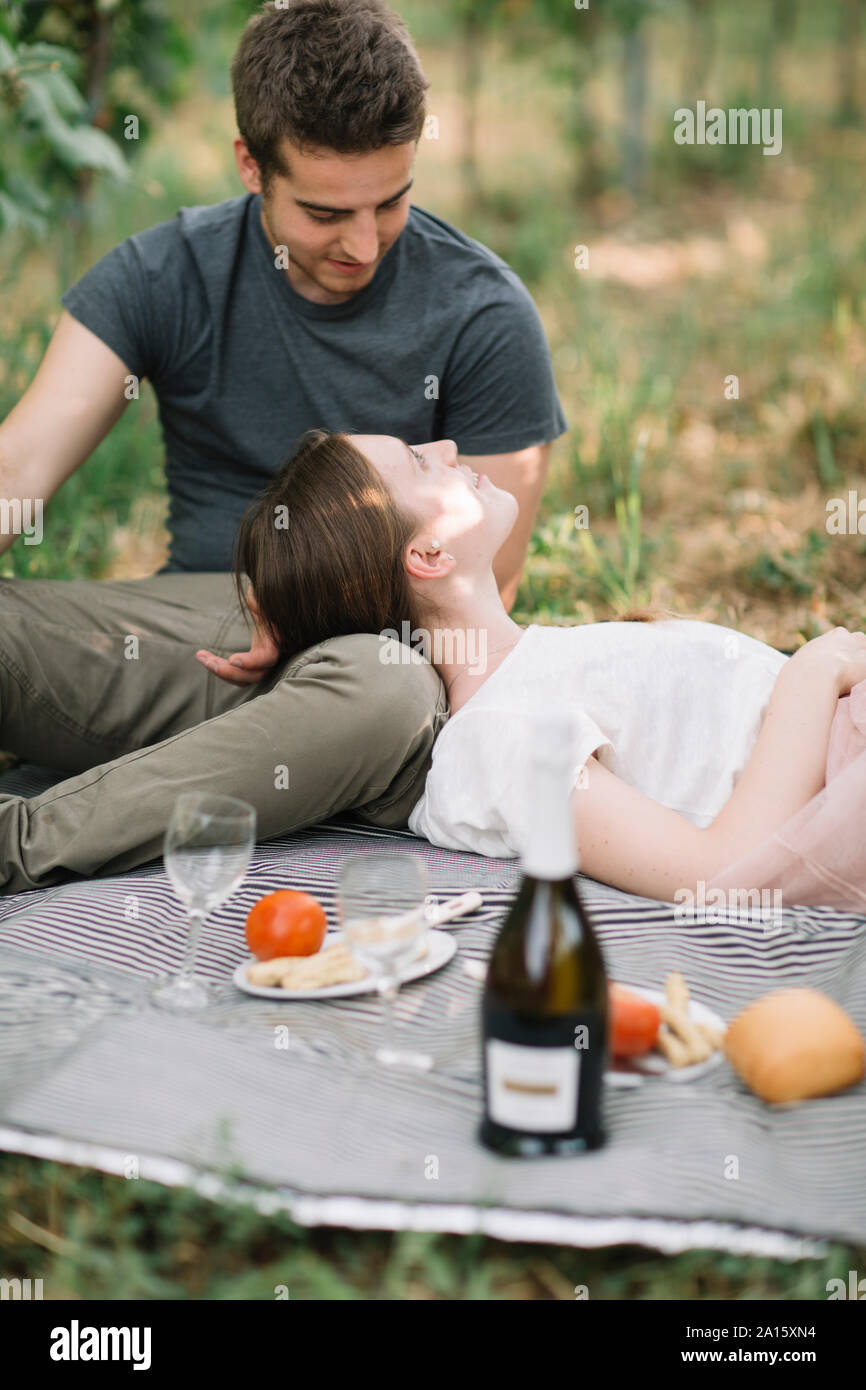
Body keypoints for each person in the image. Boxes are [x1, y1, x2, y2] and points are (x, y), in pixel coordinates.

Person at [0, 0, 568, 890]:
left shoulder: (482, 313)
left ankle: (23, 841)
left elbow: (480, 590)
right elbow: (17, 470)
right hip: (195, 644)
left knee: (388, 688)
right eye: (324, 211)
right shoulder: (165, 273)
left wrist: (304, 605)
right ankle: (143, 786)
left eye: (392, 202)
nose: (364, 243)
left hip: (375, 662)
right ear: (250, 165)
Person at [231, 430, 866, 915]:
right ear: (428, 554)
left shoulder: (532, 667)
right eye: (419, 461)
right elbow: (713, 875)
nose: (448, 447)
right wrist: (812, 673)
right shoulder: (495, 738)